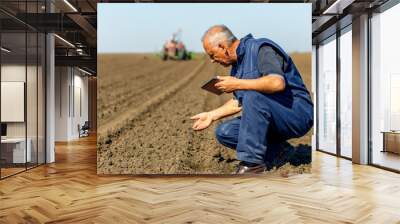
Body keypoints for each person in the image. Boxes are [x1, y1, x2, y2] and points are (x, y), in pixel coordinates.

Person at [190, 25, 314, 174]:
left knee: (252, 94)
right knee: (225, 131)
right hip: (274, 118)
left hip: (296, 113)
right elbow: (240, 101)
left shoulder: (261, 49)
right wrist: (211, 115)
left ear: (223, 47)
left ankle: (252, 165)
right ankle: (275, 150)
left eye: (212, 55)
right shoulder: (237, 67)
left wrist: (237, 83)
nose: (212, 60)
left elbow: (277, 83)